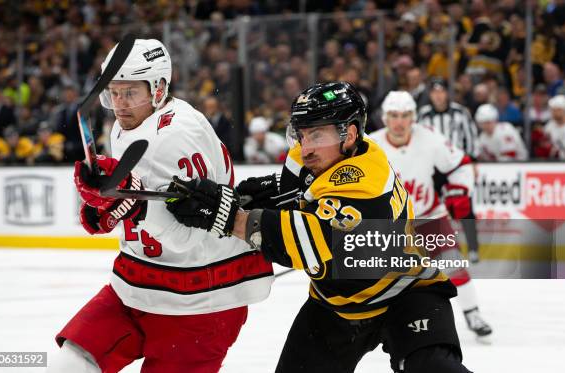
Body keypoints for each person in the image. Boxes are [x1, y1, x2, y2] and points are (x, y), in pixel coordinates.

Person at [165, 82, 473, 373]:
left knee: (433, 370)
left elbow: (310, 240)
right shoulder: (314, 155)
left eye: (317, 135)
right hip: (335, 305)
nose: (306, 147)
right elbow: (293, 195)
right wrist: (243, 196)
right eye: (301, 134)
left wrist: (229, 217)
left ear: (350, 134)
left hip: (405, 293)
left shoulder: (366, 181)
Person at [49, 38, 273, 373]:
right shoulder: (127, 125)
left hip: (200, 301)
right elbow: (136, 199)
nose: (120, 104)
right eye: (113, 92)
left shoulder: (177, 135)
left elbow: (188, 237)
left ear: (158, 89)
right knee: (70, 364)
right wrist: (104, 205)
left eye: (131, 93)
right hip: (138, 284)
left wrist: (131, 204)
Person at [369, 91, 493, 340]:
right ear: (385, 118)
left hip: (428, 215)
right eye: (394, 116)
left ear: (414, 117)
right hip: (389, 224)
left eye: (405, 115)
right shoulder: (370, 146)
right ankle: (375, 323)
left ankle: (472, 312)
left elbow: (461, 165)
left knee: (453, 264)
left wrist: (460, 191)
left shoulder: (430, 139)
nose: (400, 122)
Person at [418, 78, 481, 265]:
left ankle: (473, 248)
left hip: (457, 168)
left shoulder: (460, 113)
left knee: (464, 207)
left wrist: (473, 163)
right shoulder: (424, 115)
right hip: (433, 169)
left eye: (441, 91)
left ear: (447, 93)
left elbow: (471, 138)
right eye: (434, 92)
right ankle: (440, 248)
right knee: (433, 210)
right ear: (430, 94)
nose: (438, 95)